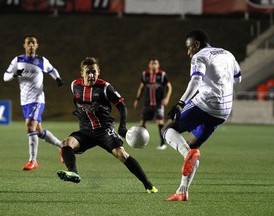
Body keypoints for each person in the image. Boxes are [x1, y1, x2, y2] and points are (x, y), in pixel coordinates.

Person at [57, 57, 158, 193]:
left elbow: (122, 106)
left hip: (104, 131)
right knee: (66, 143)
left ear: (99, 72)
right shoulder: (74, 85)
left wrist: (122, 127)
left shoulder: (105, 88)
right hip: (86, 132)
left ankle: (148, 185)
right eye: (88, 72)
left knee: (121, 154)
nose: (91, 75)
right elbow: (77, 100)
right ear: (82, 73)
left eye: (94, 72)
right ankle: (73, 173)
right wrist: (79, 111)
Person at [163, 29, 242, 201]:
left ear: (196, 45)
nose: (188, 52)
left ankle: (187, 156)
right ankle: (182, 191)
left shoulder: (199, 57)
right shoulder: (227, 54)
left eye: (189, 48)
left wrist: (181, 103)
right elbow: (238, 78)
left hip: (206, 103)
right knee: (192, 145)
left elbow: (196, 80)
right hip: (224, 110)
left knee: (168, 129)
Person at [3, 35, 64, 171]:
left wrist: (58, 79)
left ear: (36, 46)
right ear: (24, 45)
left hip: (37, 99)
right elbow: (5, 76)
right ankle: (62, 147)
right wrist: (14, 74)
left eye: (33, 43)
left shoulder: (41, 60)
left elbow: (52, 70)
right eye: (28, 43)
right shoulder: (17, 60)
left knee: (30, 127)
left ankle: (33, 161)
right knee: (38, 131)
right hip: (24, 101)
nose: (31, 45)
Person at [133, 58, 172, 150]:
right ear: (149, 65)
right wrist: (137, 99)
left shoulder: (162, 75)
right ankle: (142, 141)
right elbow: (141, 87)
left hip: (159, 103)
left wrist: (167, 98)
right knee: (142, 122)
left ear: (158, 65)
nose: (154, 65)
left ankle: (163, 144)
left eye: (156, 64)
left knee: (160, 122)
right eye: (152, 64)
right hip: (147, 103)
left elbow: (169, 87)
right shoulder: (145, 74)